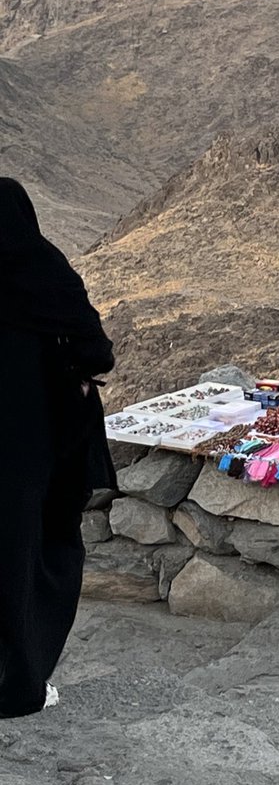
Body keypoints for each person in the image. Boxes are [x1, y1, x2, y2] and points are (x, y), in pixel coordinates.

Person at [0, 178, 116, 717]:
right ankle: (18, 684)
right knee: (25, 555)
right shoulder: (44, 279)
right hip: (28, 454)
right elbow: (95, 354)